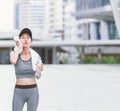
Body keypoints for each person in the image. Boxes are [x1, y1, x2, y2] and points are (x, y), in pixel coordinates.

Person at [10, 28, 44, 111]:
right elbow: (13, 61)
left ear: (31, 41)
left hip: (32, 91)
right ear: (19, 39)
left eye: (28, 38)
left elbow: (38, 76)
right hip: (19, 91)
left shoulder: (36, 57)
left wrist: (39, 69)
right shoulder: (14, 53)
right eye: (23, 38)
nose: (25, 40)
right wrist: (19, 47)